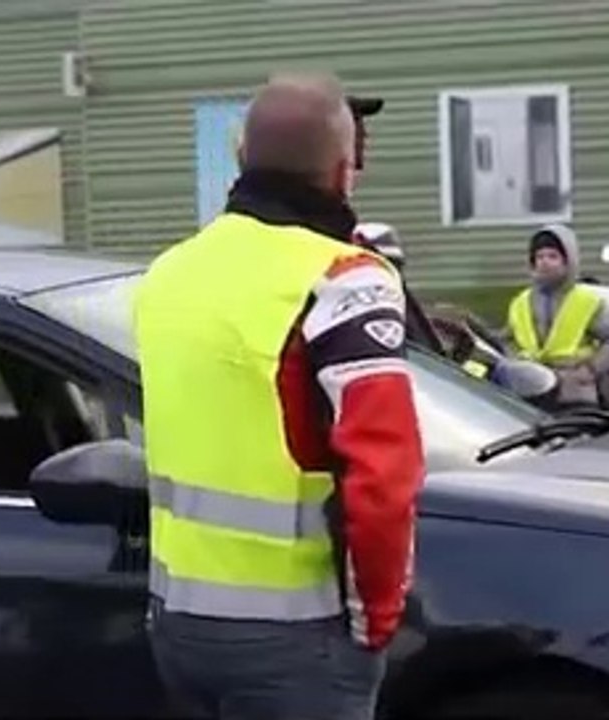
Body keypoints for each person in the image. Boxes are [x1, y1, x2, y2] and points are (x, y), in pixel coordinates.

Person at [133, 72, 426, 720]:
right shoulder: (345, 279)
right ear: (344, 170)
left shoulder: (168, 274)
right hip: (297, 637)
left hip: (179, 623)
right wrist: (376, 619)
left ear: (240, 158)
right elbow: (383, 476)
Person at [506, 224, 609, 407]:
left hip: (574, 391)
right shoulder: (520, 302)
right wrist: (516, 362)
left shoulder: (586, 300)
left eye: (553, 256)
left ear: (568, 262)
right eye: (539, 257)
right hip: (531, 390)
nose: (544, 262)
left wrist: (592, 369)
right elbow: (509, 339)